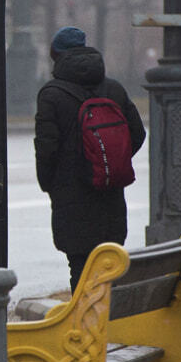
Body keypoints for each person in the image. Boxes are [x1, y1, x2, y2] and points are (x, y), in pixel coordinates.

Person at [34, 26, 145, 290]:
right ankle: (107, 326)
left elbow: (46, 148)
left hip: (72, 197)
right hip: (110, 193)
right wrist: (111, 162)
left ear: (56, 56)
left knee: (80, 268)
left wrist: (50, 183)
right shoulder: (114, 89)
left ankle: (86, 329)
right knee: (108, 265)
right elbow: (137, 133)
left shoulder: (51, 95)